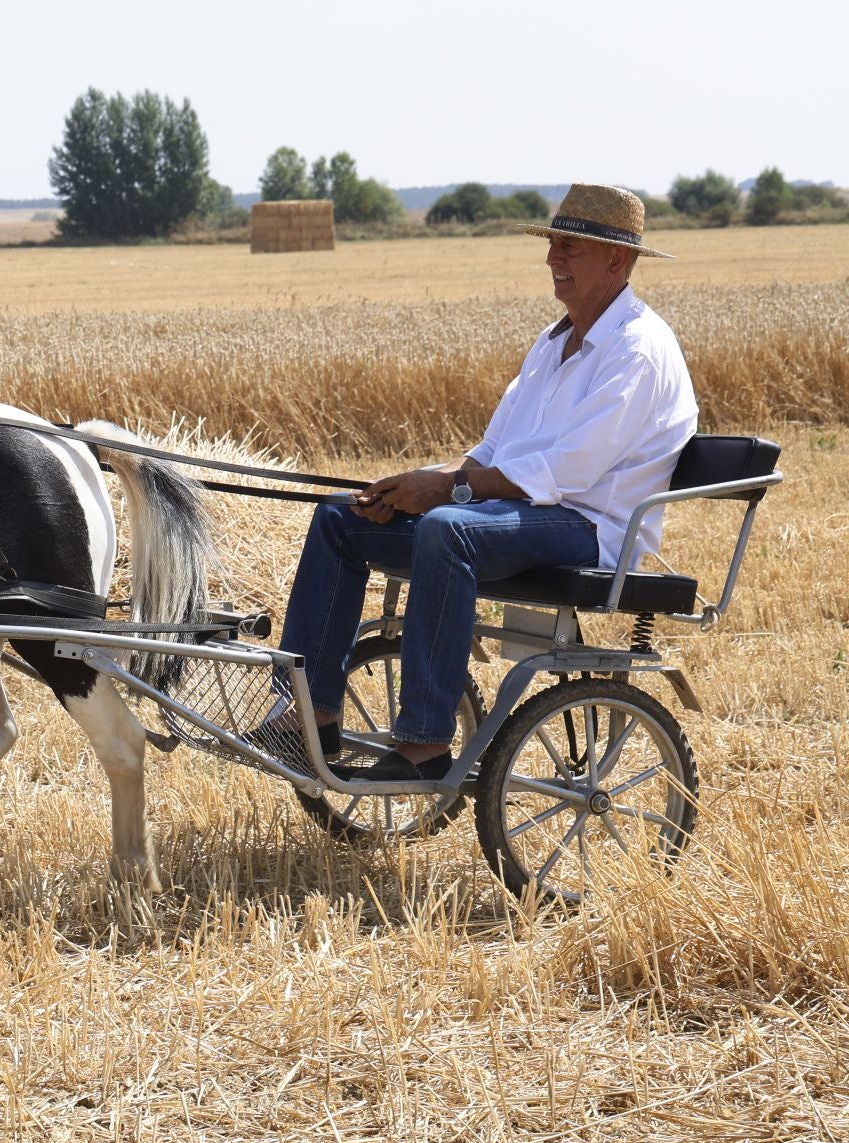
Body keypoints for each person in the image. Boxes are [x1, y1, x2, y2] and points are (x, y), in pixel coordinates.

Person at [276, 184, 699, 783]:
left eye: (570, 247)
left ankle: (424, 745)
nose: (553, 259)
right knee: (340, 518)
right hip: (522, 517)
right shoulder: (554, 343)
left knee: (450, 531)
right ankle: (312, 716)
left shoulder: (638, 350)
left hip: (590, 527)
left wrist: (448, 492)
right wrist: (416, 482)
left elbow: (568, 472)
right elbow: (495, 450)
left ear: (617, 260)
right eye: (553, 243)